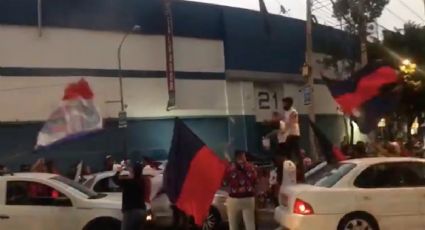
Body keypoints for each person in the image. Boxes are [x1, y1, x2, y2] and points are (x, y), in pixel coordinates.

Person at [224, 150, 257, 230]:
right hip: (248, 198)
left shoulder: (230, 168)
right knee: (250, 224)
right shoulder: (251, 167)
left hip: (234, 198)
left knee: (233, 225)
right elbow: (255, 180)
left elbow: (225, 182)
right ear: (244, 156)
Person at [113, 163, 149, 230]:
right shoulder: (142, 181)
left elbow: (115, 179)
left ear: (133, 171)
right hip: (142, 210)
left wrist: (119, 171)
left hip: (130, 212)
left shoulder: (129, 182)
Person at [282, 97, 304, 182]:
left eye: (285, 103)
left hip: (294, 135)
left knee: (297, 155)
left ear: (289, 103)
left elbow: (290, 123)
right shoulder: (286, 112)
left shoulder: (293, 112)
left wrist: (284, 129)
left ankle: (302, 174)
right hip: (288, 135)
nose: (283, 105)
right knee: (288, 155)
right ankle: (290, 174)